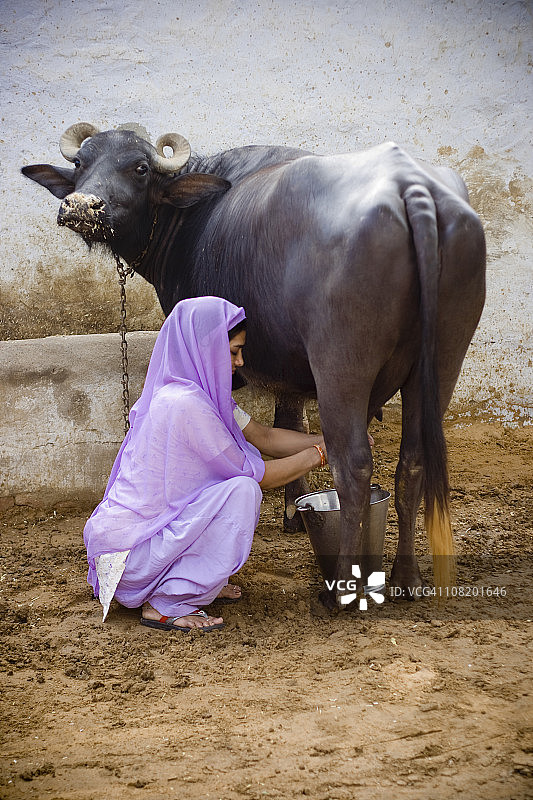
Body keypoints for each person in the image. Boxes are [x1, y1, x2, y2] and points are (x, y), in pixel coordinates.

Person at [83, 295, 329, 633]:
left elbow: (266, 437)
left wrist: (330, 439)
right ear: (205, 348)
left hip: (128, 551)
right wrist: (319, 455)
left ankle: (196, 579)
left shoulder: (198, 396)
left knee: (225, 486)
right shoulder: (186, 405)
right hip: (132, 558)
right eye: (233, 351)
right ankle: (168, 602)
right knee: (242, 490)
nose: (241, 362)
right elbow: (262, 477)